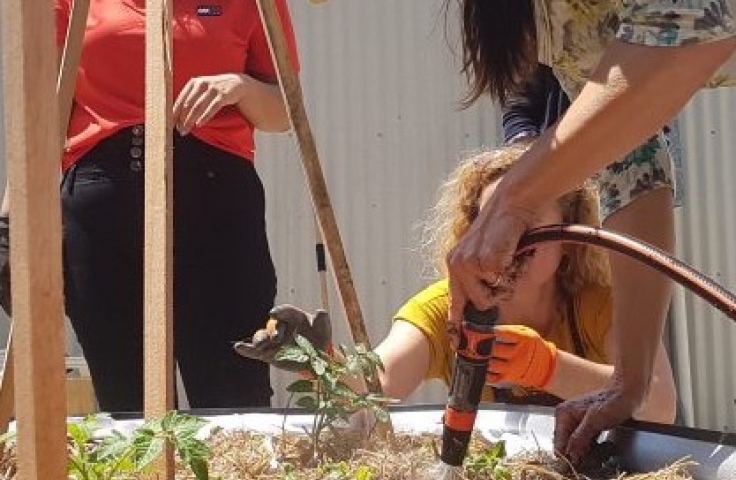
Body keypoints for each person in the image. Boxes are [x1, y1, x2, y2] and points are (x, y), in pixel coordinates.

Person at [444, 0, 736, 464]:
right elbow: (631, 169)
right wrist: (629, 381)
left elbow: (690, 30)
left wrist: (514, 199)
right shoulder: (563, 31)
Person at [235, 145, 677, 425]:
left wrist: (548, 367)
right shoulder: (445, 308)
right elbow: (380, 381)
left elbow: (659, 405)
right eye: (492, 223)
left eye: (527, 221)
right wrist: (320, 360)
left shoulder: (600, 305)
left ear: (570, 235)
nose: (507, 241)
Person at [0, 0, 299, 412]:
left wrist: (241, 86)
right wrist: (9, 222)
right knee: (127, 402)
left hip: (217, 208)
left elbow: (285, 111)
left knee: (233, 396)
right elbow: (42, 114)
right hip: (101, 209)